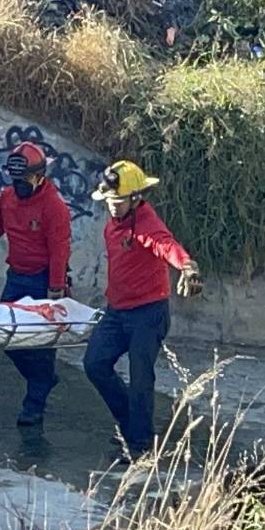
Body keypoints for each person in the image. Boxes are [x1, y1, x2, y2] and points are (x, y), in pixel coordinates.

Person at [83, 160, 203, 459]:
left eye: (119, 201)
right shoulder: (115, 222)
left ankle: (140, 447)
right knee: (95, 364)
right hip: (117, 311)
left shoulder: (146, 223)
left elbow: (165, 245)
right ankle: (131, 425)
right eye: (109, 200)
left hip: (147, 313)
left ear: (136, 198)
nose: (113, 206)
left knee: (140, 378)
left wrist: (186, 266)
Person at [0, 142, 72, 426]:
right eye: (16, 179)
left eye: (25, 179)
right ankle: (43, 380)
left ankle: (34, 405)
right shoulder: (7, 197)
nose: (20, 185)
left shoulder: (54, 206)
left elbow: (59, 250)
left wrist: (55, 290)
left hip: (43, 279)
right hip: (17, 276)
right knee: (5, 335)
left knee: (42, 345)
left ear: (40, 176)